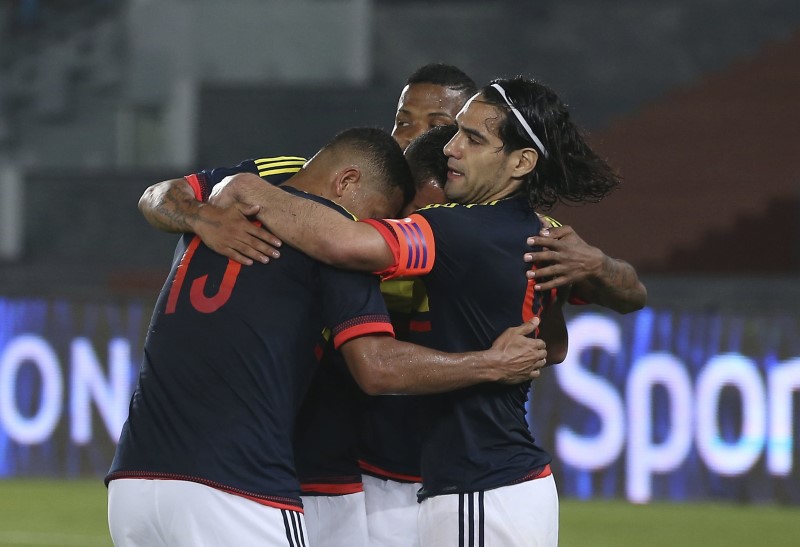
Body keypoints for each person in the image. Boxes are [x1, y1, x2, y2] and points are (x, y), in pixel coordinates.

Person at [209, 76, 632, 546]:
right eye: (456, 132)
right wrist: (599, 270)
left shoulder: (455, 229)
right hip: (480, 479)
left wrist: (253, 190)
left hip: (479, 482)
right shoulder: (537, 232)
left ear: (521, 161)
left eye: (472, 138)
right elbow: (560, 342)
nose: (451, 147)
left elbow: (344, 243)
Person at [106, 127, 550, 547]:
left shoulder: (215, 210)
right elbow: (377, 367)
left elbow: (158, 196)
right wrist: (491, 363)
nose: (376, 230)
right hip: (233, 486)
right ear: (347, 182)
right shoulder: (332, 246)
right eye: (377, 216)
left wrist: (198, 215)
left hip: (133, 486)